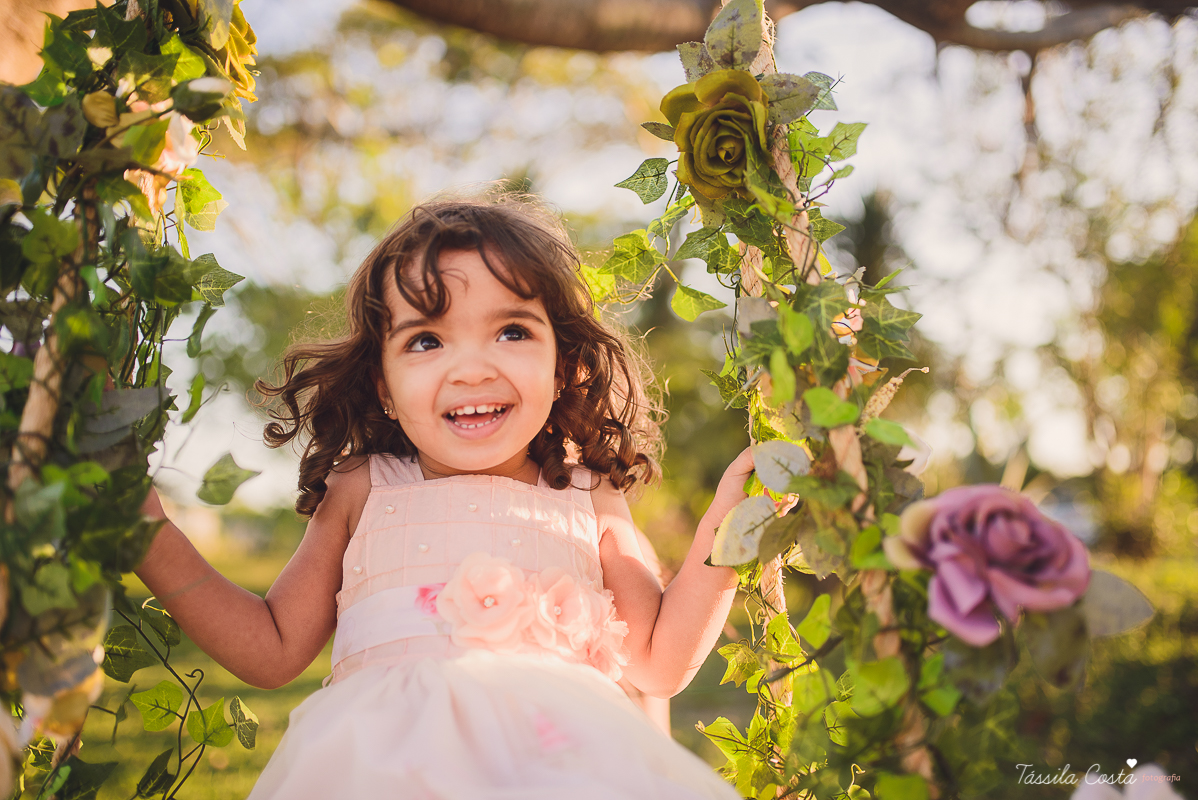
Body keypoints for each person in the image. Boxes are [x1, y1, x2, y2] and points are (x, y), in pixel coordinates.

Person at [136, 194, 753, 798]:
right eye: (427, 341)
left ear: (562, 366)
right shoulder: (364, 487)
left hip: (554, 767)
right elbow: (271, 651)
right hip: (384, 770)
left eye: (511, 331)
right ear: (383, 385)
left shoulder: (589, 498)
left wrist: (736, 526)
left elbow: (658, 663)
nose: (471, 369)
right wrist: (148, 535)